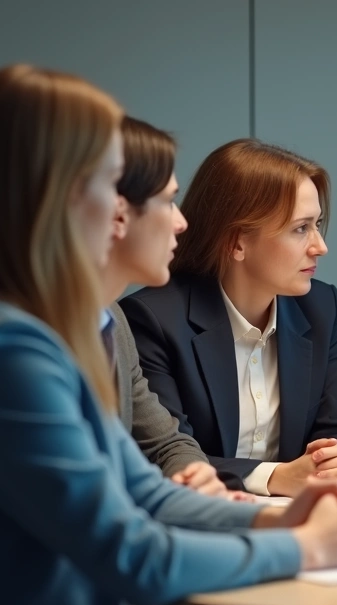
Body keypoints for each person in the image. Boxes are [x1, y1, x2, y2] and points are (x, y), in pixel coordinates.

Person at [0, 64, 337, 605]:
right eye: (116, 182)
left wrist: (279, 517)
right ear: (63, 196)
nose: (176, 218)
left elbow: (145, 492)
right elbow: (135, 556)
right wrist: (303, 547)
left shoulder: (48, 333)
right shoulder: (4, 351)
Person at [120, 139, 337, 497]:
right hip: (198, 520)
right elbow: (166, 455)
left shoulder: (319, 305)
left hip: (298, 515)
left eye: (317, 224)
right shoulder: (154, 319)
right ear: (237, 242)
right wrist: (274, 477)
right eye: (300, 228)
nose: (320, 246)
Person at [101, 115, 227, 496]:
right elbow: (100, 518)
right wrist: (298, 540)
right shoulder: (15, 342)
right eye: (169, 201)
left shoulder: (111, 319)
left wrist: (201, 484)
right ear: (118, 213)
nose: (182, 222)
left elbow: (166, 443)